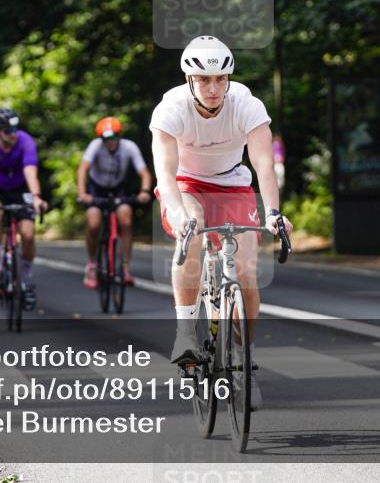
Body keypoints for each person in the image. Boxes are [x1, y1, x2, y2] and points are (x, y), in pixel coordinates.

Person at [149, 35, 293, 411]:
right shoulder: (171, 108)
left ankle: (245, 363)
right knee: (193, 227)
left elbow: (263, 163)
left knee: (246, 274)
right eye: (203, 81)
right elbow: (164, 173)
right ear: (189, 80)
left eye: (220, 79)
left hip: (232, 184)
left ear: (229, 77)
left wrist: (274, 213)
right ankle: (185, 333)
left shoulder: (247, 104)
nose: (213, 89)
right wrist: (179, 215)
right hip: (186, 185)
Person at [0, 106, 48, 310]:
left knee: (28, 234)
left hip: (20, 188)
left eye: (15, 130)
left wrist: (36, 198)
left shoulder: (25, 140)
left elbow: (30, 172)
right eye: (8, 131)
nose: (13, 135)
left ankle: (26, 280)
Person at [77, 116, 153, 288]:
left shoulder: (129, 147)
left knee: (125, 219)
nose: (109, 142)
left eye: (113, 138)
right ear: (101, 138)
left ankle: (125, 267)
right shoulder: (95, 146)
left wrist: (144, 191)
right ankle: (91, 264)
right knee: (94, 223)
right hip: (96, 189)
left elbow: (144, 173)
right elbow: (83, 169)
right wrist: (83, 193)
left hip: (118, 189)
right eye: (105, 139)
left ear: (119, 136)